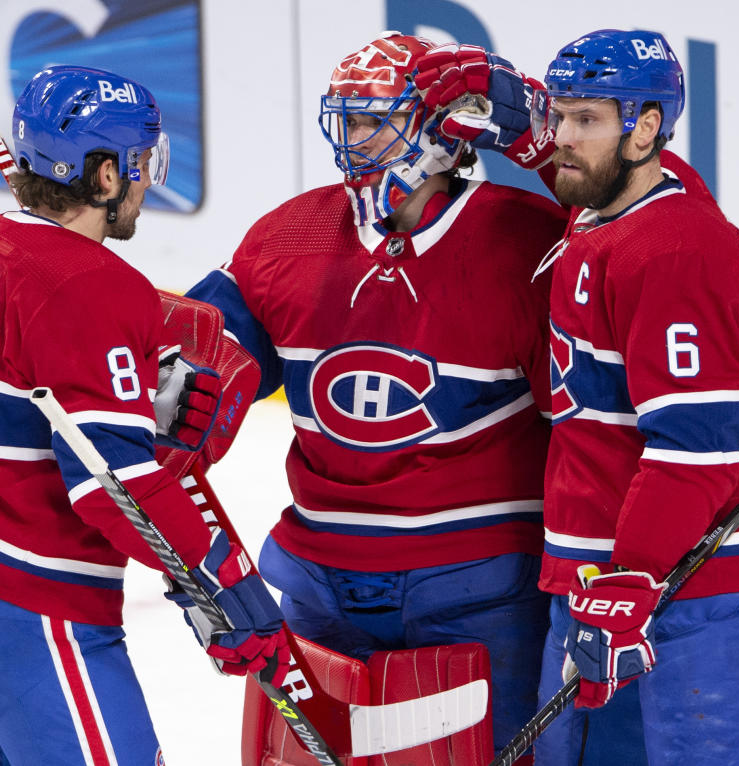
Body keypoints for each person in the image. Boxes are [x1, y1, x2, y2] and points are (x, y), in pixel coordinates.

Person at [0, 65, 288, 766]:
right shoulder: (91, 286)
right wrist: (216, 582)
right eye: (140, 163)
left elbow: (31, 381)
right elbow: (114, 484)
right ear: (103, 177)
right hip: (24, 606)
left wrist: (119, 377)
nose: (145, 183)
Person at [437, 29, 739, 765]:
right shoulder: (610, 210)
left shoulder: (676, 253)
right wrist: (518, 126)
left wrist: (633, 575)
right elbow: (579, 173)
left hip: (699, 585)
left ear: (645, 128)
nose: (564, 140)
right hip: (606, 581)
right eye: (562, 115)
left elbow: (696, 450)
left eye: (587, 121)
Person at [184, 31, 567, 757]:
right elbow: (200, 364)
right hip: (319, 583)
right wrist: (182, 380)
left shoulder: (529, 244)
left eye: (374, 120)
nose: (352, 140)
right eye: (348, 119)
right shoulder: (286, 235)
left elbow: (587, 432)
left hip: (478, 585)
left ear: (440, 134)